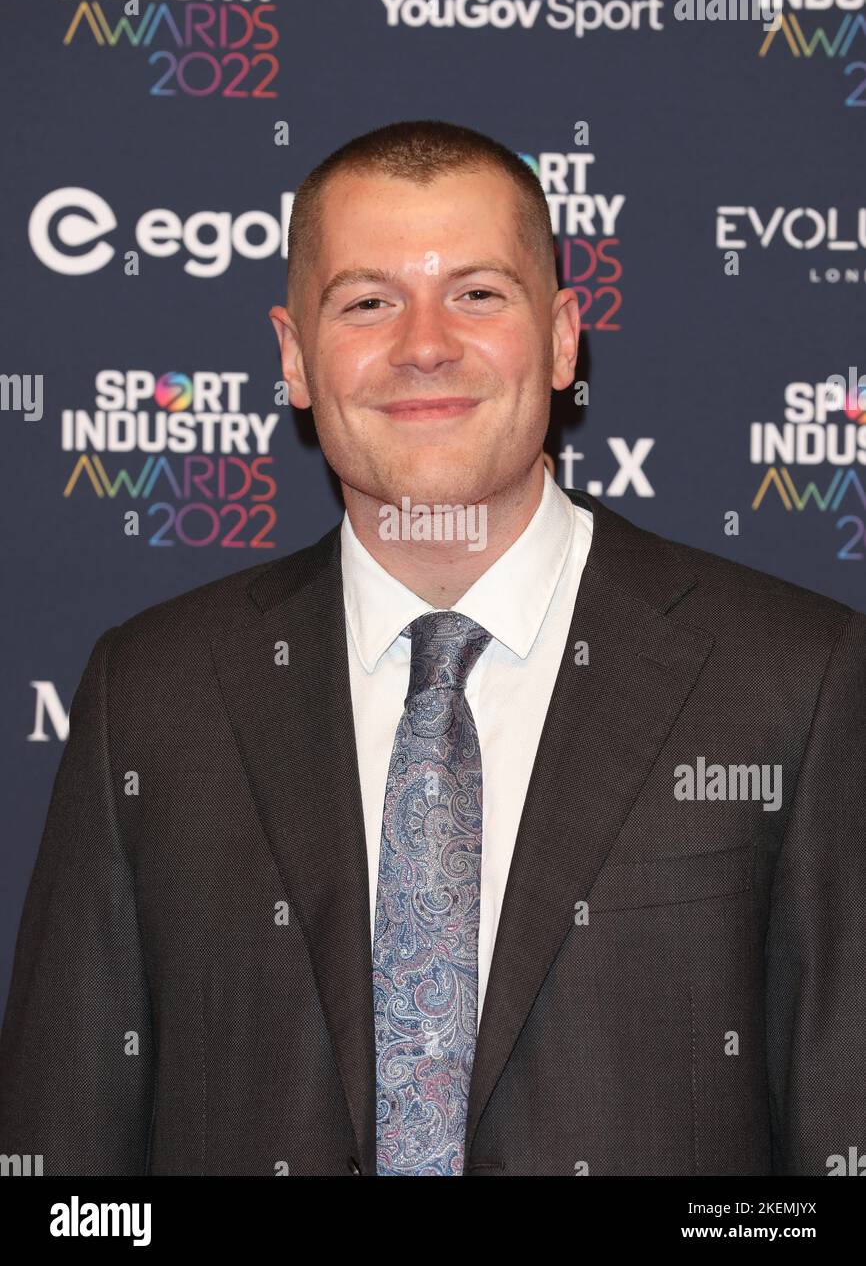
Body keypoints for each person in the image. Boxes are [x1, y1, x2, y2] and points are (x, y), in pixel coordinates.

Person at [1, 119, 864, 1177]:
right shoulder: (153, 694)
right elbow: (66, 1161)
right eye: (365, 302)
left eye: (476, 293)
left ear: (559, 338)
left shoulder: (796, 680)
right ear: (293, 357)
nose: (422, 344)